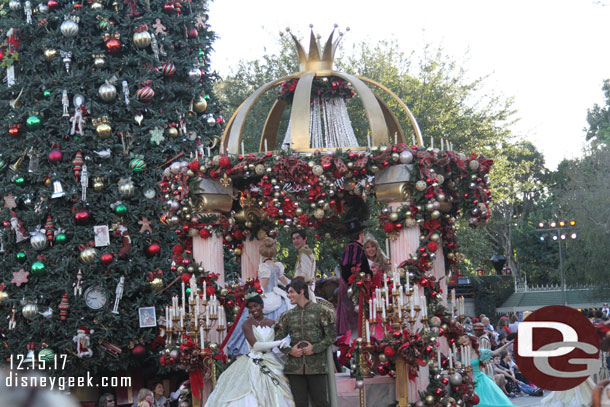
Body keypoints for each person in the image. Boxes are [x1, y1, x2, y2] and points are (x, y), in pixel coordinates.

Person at [205, 291, 294, 407]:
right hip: (253, 361)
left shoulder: (272, 323)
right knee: (249, 391)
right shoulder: (246, 324)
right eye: (250, 307)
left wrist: (286, 340)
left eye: (255, 306)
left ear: (262, 305)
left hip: (271, 360)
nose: (253, 309)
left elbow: (284, 336)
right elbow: (256, 345)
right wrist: (278, 342)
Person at [226, 238, 292, 356]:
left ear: (262, 254)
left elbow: (262, 288)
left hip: (268, 297)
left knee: (250, 313)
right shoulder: (277, 266)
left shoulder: (264, 267)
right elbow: (287, 283)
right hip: (278, 297)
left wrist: (252, 292)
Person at [275, 279, 337, 407]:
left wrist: (314, 348)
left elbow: (331, 336)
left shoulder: (321, 311)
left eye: (291, 292)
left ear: (301, 291)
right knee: (300, 403)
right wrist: (290, 350)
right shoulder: (288, 315)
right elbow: (278, 339)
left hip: (316, 365)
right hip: (294, 368)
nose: (289, 295)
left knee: (321, 402)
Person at [340, 218, 373, 284]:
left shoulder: (353, 247)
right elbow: (352, 269)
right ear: (360, 234)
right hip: (357, 287)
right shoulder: (354, 247)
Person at [292, 230, 317, 302]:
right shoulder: (306, 251)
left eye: (298, 238)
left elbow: (305, 275)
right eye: (293, 239)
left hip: (303, 293)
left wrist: (292, 284)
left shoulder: (304, 253)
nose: (295, 241)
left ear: (305, 238)